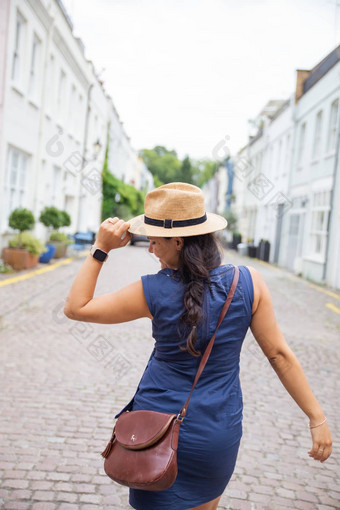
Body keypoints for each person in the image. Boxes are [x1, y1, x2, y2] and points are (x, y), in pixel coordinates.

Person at [65, 182, 332, 510]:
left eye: (153, 241)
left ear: (177, 241)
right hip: (215, 433)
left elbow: (77, 307)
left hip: (154, 433)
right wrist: (316, 417)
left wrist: (100, 249)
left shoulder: (151, 290)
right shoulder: (248, 282)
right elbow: (279, 355)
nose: (150, 250)